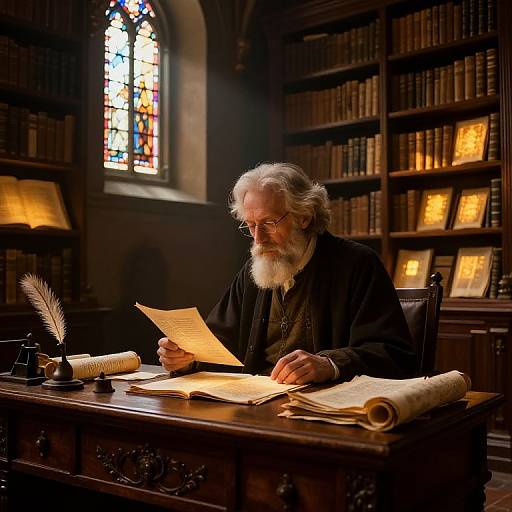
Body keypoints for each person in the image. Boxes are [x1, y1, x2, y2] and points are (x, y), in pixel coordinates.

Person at [157, 162, 416, 384]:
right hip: (254, 410)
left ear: (304, 217)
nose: (258, 239)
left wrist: (329, 364)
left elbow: (393, 354)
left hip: (320, 416)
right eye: (251, 225)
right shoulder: (254, 272)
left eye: (269, 223)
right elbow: (220, 343)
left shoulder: (358, 264)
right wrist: (187, 359)